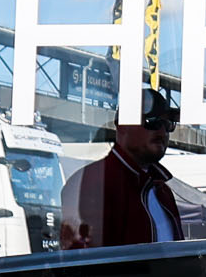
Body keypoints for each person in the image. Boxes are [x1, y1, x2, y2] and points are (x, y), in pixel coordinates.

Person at [65, 90, 191, 248]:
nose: (162, 132)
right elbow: (85, 259)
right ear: (123, 126)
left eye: (168, 124)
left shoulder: (162, 191)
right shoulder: (94, 181)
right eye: (152, 121)